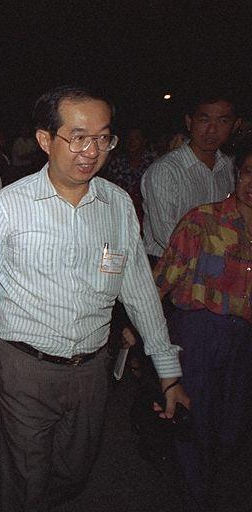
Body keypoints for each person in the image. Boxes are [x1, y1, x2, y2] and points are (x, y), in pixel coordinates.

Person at [0, 85, 189, 511]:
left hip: (91, 370)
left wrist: (168, 370)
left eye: (103, 137)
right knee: (26, 480)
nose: (92, 150)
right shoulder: (8, 206)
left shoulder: (117, 204)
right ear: (46, 140)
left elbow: (138, 290)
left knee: (75, 470)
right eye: (78, 136)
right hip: (26, 368)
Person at [153, 144, 252, 512]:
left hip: (243, 340)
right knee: (193, 418)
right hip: (199, 331)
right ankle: (195, 496)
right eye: (247, 172)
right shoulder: (203, 220)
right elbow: (163, 277)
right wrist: (140, 326)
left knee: (232, 428)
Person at [141, 93, 240, 263]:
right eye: (204, 120)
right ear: (189, 122)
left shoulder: (228, 168)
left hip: (214, 268)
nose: (212, 130)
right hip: (168, 266)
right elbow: (167, 235)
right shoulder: (166, 170)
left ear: (235, 125)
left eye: (223, 121)